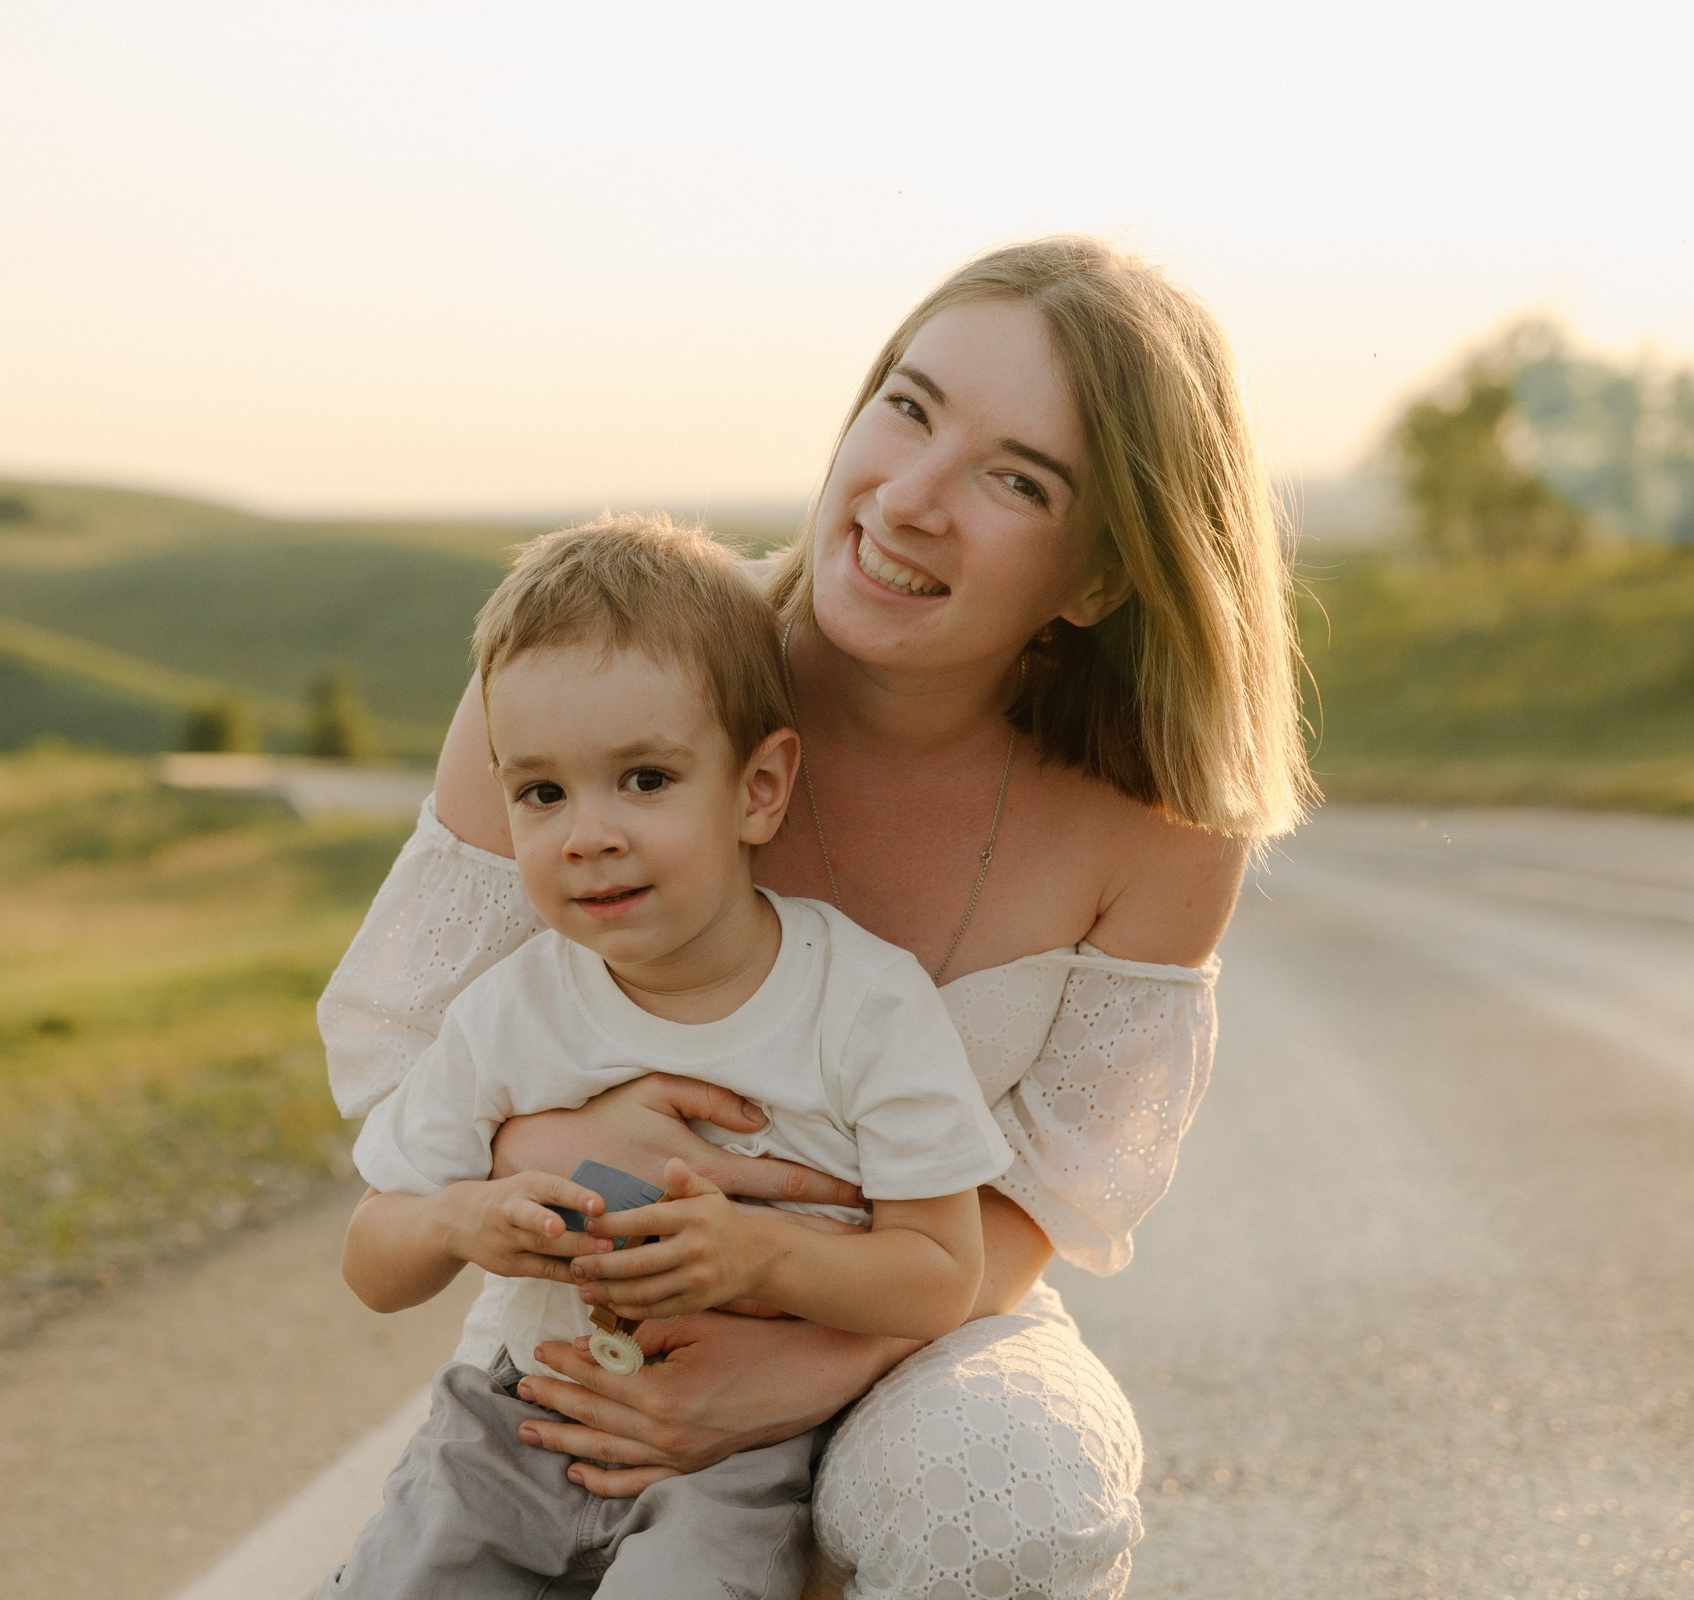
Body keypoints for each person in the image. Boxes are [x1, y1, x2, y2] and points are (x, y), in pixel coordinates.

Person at [319, 235, 1313, 1600]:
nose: (909, 499)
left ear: (1095, 579)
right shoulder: (612, 686)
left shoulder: (1162, 833)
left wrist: (798, 1365)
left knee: (1012, 1495)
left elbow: (1031, 1201)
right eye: (906, 407)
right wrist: (566, 1145)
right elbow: (400, 1073)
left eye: (1015, 478)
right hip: (606, 1320)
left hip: (916, 1327)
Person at [325, 516, 1015, 1599]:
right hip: (518, 1412)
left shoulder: (864, 1003)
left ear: (758, 788)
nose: (586, 832)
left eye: (643, 779)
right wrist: (460, 1217)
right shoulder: (513, 1010)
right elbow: (373, 1255)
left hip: (736, 1451)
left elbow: (942, 1272)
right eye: (542, 793)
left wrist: (756, 1257)